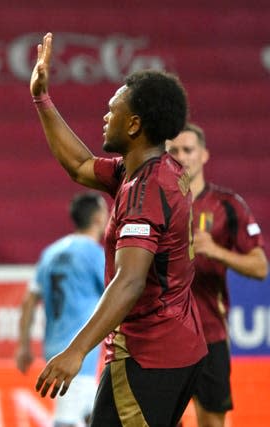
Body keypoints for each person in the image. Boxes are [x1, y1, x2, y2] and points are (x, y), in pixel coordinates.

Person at [29, 32, 207, 427]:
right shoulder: (151, 169)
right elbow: (78, 166)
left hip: (148, 355)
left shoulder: (145, 190)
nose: (105, 116)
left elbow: (129, 281)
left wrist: (75, 351)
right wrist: (42, 99)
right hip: (179, 347)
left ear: (135, 124)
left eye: (114, 110)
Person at [166, 123, 267, 427]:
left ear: (204, 155)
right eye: (173, 151)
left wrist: (216, 250)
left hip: (210, 334)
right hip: (162, 335)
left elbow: (260, 267)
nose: (181, 156)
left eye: (188, 150)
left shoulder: (228, 205)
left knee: (212, 422)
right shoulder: (156, 203)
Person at [16, 191, 107, 427]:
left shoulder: (51, 253)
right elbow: (117, 293)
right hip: (78, 351)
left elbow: (28, 301)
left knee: (92, 413)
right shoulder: (95, 254)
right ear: (98, 218)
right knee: (67, 419)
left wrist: (23, 346)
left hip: (53, 346)